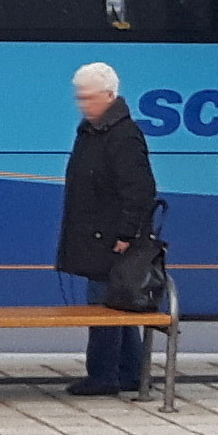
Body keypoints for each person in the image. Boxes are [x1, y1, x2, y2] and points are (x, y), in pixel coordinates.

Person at [58, 59, 159, 398]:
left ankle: (103, 375)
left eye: (89, 97)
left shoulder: (122, 135)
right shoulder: (94, 130)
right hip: (97, 235)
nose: (83, 104)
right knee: (118, 303)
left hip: (112, 239)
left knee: (103, 307)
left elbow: (140, 190)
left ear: (110, 95)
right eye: (80, 97)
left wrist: (126, 234)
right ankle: (130, 372)